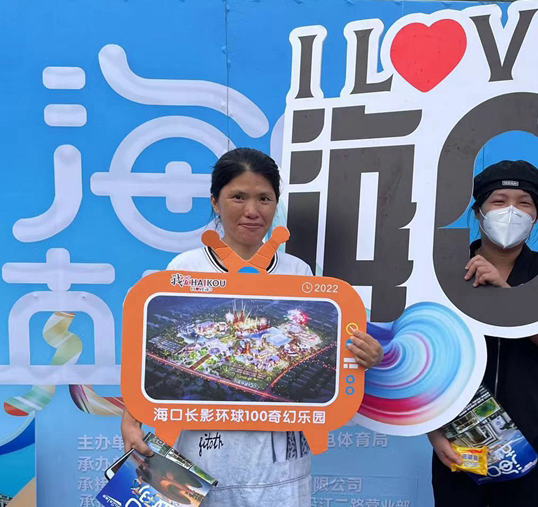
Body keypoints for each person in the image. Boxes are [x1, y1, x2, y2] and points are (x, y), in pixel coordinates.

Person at [121, 148, 384, 507]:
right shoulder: (186, 268)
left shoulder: (297, 271)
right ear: (215, 202)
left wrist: (360, 356)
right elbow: (143, 352)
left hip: (279, 457)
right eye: (238, 197)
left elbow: (335, 360)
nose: (252, 210)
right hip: (202, 451)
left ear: (276, 204)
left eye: (264, 198)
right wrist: (131, 418)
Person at [428, 160, 538, 507]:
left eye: (524, 203)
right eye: (499, 201)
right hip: (457, 436)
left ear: (536, 216)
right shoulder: (445, 270)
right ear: (478, 212)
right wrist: (433, 432)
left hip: (529, 438)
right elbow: (425, 353)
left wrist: (506, 293)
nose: (511, 211)